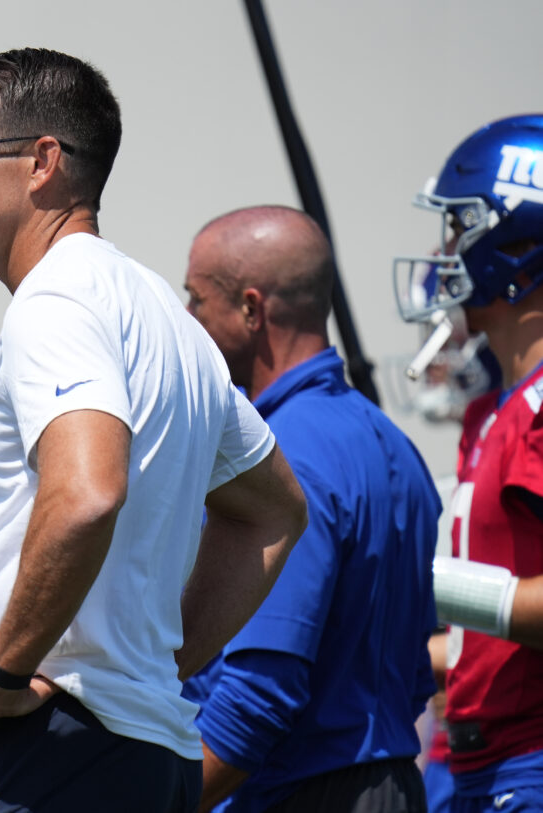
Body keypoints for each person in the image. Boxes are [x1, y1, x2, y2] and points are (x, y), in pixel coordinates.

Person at [0, 47, 308, 812]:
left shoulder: (56, 299)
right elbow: (274, 510)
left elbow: (88, 493)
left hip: (57, 747)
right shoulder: (168, 315)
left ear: (42, 162)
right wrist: (157, 661)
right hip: (145, 754)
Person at [181, 205, 441, 812]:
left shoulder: (282, 461)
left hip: (299, 793)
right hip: (389, 784)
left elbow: (258, 699)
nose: (187, 322)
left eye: (195, 300)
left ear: (251, 308)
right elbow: (413, 680)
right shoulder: (394, 447)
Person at [393, 114, 543, 813]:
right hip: (491, 759)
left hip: (527, 759)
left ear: (518, 242)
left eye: (463, 226)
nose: (447, 250)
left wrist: (437, 585)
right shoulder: (503, 407)